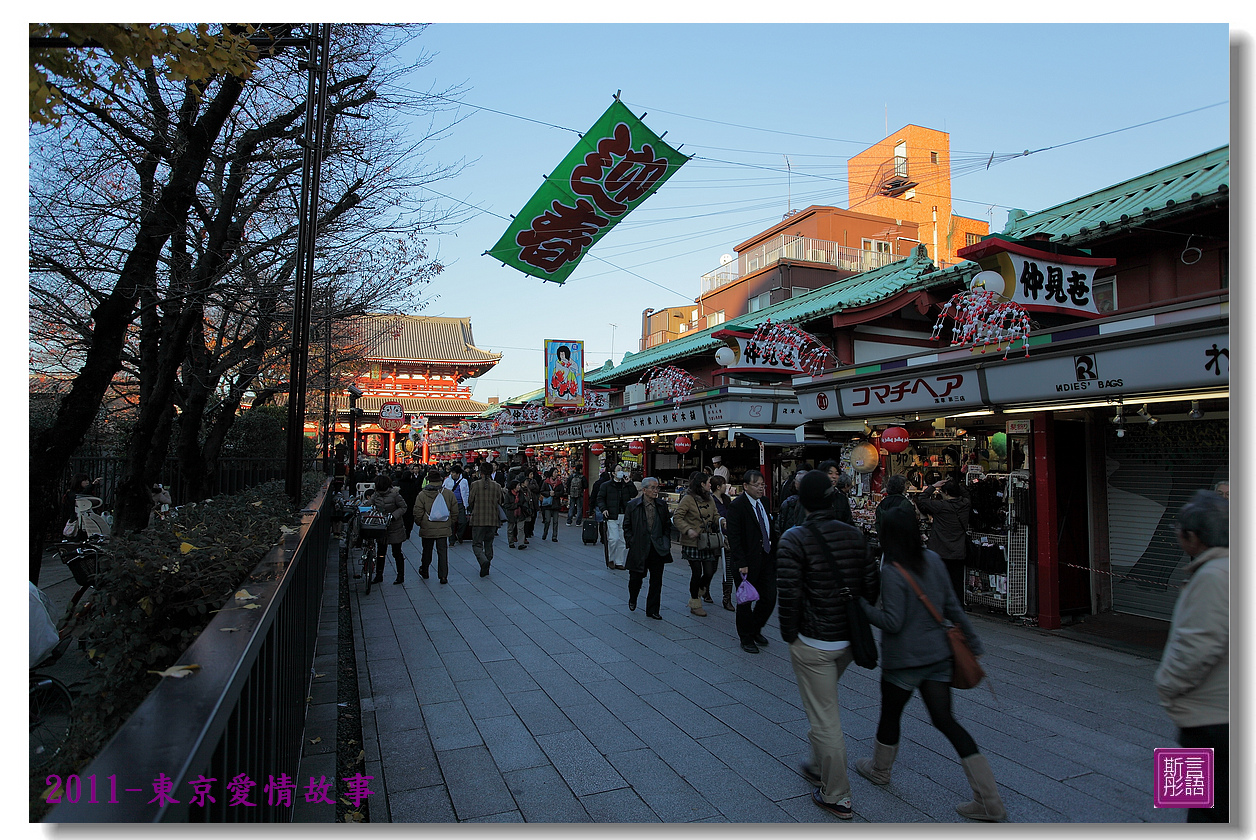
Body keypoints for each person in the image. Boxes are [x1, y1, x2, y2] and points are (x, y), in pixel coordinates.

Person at [857, 504, 1002, 822]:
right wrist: (974, 644)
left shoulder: (893, 569)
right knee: (946, 721)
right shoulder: (934, 559)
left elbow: (892, 622)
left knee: (891, 715)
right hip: (937, 657)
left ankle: (880, 770)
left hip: (903, 662)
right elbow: (953, 607)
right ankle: (989, 799)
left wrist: (861, 608)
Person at [777, 471, 880, 820]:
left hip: (813, 641)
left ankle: (837, 794)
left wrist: (790, 634)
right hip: (847, 640)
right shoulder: (855, 536)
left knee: (824, 717)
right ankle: (819, 765)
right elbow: (871, 587)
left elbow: (788, 595)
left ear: (802, 501)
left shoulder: (794, 539)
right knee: (823, 703)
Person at [1155, 490, 1228, 823]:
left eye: (1180, 531)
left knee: (1204, 810)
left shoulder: (1212, 577)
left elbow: (1198, 645)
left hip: (1208, 717)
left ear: (1194, 536)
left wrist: (1167, 685)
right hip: (1213, 713)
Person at [725, 469, 778, 654]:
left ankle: (755, 628)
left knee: (770, 597)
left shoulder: (764, 502)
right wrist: (741, 561)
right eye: (756, 485)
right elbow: (734, 536)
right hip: (746, 562)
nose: (760, 488)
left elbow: (769, 528)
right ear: (745, 486)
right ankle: (746, 637)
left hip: (766, 558)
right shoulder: (737, 506)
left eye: (762, 484)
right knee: (745, 602)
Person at [672, 471, 722, 617]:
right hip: (692, 542)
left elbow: (715, 514)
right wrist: (688, 530)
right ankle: (695, 602)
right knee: (696, 572)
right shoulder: (688, 499)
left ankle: (699, 590)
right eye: (708, 482)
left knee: (709, 571)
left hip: (706, 540)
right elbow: (677, 517)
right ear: (702, 484)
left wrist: (721, 521)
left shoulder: (710, 499)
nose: (710, 485)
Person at [913, 478, 970, 605]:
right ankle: (958, 611)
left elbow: (922, 498)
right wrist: (955, 484)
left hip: (940, 551)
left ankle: (939, 608)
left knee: (937, 582)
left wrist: (934, 486)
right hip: (958, 551)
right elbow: (966, 494)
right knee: (957, 584)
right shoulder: (965, 504)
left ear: (946, 493)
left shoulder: (940, 506)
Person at [623, 476, 673, 619]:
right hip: (639, 546)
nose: (655, 491)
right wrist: (631, 541)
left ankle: (652, 609)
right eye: (652, 488)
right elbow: (627, 525)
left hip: (657, 547)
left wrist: (665, 542)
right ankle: (633, 598)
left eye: (657, 487)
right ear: (644, 490)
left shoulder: (661, 505)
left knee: (656, 580)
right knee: (635, 578)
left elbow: (666, 526)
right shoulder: (633, 505)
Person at [414, 471, 458, 584]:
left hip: (427, 527)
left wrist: (421, 523)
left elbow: (418, 511)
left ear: (429, 480)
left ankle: (425, 570)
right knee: (442, 552)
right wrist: (449, 522)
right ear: (441, 480)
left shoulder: (422, 495)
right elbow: (454, 511)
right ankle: (443, 576)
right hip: (443, 527)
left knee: (427, 550)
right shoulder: (448, 494)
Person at [466, 462, 505, 577]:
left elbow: (470, 501)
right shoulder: (497, 486)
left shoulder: (475, 485)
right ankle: (487, 562)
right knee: (489, 543)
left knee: (477, 544)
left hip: (478, 519)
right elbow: (500, 501)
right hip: (492, 519)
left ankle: (483, 561)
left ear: (480, 472)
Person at [370, 474, 409, 585]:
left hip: (395, 526)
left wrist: (393, 515)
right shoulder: (376, 495)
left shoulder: (395, 495)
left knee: (396, 552)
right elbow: (369, 504)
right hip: (382, 526)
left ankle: (400, 575)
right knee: (381, 552)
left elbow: (403, 507)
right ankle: (379, 574)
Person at [597, 464, 637, 570]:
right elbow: (600, 498)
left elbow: (634, 494)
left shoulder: (625, 484)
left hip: (624, 514)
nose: (621, 472)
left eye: (622, 470)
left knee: (622, 540)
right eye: (618, 470)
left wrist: (629, 483)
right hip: (611, 515)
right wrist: (603, 509)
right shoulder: (606, 485)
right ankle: (610, 558)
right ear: (613, 473)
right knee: (613, 538)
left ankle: (619, 561)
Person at [710, 474, 736, 612]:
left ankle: (727, 598)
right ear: (718, 487)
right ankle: (704, 588)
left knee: (729, 569)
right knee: (711, 568)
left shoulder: (726, 499)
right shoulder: (710, 500)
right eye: (724, 484)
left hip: (728, 537)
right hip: (715, 537)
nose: (726, 486)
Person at [442, 464, 470, 545]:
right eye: (452, 472)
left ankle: (459, 535)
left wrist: (466, 503)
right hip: (450, 504)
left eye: (454, 473)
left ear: (458, 474)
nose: (453, 474)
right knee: (452, 523)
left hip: (461, 503)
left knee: (463, 522)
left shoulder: (464, 481)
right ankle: (452, 540)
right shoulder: (447, 481)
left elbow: (467, 492)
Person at [398, 465, 423, 542]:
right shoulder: (412, 484)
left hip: (400, 505)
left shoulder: (399, 484)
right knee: (409, 519)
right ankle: (408, 532)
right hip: (410, 504)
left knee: (402, 518)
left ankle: (402, 532)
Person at [539, 467, 563, 542]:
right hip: (548, 504)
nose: (556, 474)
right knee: (547, 520)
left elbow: (562, 492)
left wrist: (555, 494)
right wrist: (549, 493)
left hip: (556, 504)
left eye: (557, 472)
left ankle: (554, 536)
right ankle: (545, 533)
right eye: (555, 472)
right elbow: (542, 491)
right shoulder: (546, 482)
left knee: (555, 521)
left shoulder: (559, 483)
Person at [505, 479, 528, 549]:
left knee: (521, 528)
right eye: (518, 485)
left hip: (520, 513)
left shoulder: (521, 494)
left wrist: (523, 506)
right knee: (510, 529)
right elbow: (506, 505)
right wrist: (515, 505)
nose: (519, 487)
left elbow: (524, 501)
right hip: (511, 514)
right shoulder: (508, 495)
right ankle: (511, 542)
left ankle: (521, 543)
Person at [522, 466, 541, 544]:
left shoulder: (534, 481)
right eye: (530, 474)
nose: (532, 476)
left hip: (534, 501)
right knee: (528, 518)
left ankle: (531, 531)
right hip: (527, 502)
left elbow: (537, 488)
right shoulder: (525, 481)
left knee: (533, 517)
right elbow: (528, 488)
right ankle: (527, 532)